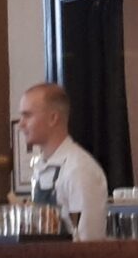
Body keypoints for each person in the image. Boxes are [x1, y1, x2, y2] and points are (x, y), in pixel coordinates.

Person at [15, 82, 108, 241]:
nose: (21, 124)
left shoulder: (79, 169)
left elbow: (89, 243)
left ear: (53, 118)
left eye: (28, 115)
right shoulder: (40, 167)